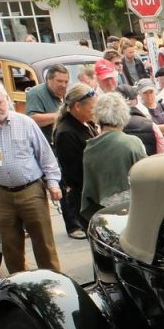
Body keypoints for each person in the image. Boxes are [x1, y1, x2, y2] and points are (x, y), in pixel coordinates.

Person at [0, 81, 63, 273]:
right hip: (1, 193)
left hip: (30, 189)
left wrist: (53, 183)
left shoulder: (25, 122)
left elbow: (45, 155)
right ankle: (18, 284)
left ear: (7, 100)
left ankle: (54, 282)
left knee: (43, 241)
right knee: (10, 244)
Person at [81, 91, 145, 221]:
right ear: (124, 115)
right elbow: (146, 177)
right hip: (133, 209)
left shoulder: (90, 148)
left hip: (105, 212)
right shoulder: (131, 142)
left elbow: (90, 190)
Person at [52, 83, 98, 238]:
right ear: (77, 106)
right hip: (84, 195)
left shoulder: (87, 123)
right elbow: (74, 174)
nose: (95, 111)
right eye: (92, 107)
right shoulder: (66, 132)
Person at [25, 63, 69, 141]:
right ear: (48, 79)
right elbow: (32, 119)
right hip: (47, 145)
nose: (63, 85)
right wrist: (61, 115)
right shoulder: (36, 93)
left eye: (66, 82)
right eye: (59, 81)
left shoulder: (69, 92)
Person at [136, 79, 164, 150]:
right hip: (157, 149)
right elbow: (148, 132)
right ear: (140, 94)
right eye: (145, 93)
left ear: (155, 91)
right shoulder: (142, 112)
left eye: (151, 92)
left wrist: (156, 128)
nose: (149, 95)